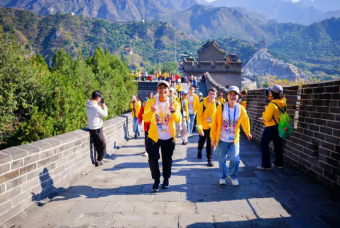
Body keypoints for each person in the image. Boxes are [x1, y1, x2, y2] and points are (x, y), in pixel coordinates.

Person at [143, 80, 182, 192]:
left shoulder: (174, 103)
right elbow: (145, 118)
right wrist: (151, 111)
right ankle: (156, 180)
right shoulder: (151, 102)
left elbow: (178, 119)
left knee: (167, 160)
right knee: (153, 160)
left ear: (168, 90)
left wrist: (173, 111)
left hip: (168, 137)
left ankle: (166, 179)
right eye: (160, 87)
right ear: (157, 90)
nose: (162, 90)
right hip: (154, 137)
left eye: (165, 88)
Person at [210, 86, 252, 186]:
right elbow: (214, 123)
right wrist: (213, 138)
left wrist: (247, 132)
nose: (232, 97)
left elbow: (245, 121)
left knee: (236, 159)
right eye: (230, 94)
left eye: (235, 95)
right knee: (222, 160)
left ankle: (233, 176)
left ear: (238, 97)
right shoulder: (221, 107)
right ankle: (222, 176)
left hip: (234, 139)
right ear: (227, 95)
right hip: (222, 139)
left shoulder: (240, 108)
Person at [257, 84, 286, 171]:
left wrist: (264, 112)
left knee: (264, 144)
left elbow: (267, 118)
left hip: (271, 127)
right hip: (279, 126)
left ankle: (266, 165)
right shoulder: (283, 102)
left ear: (272, 93)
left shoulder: (271, 105)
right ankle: (279, 163)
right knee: (278, 145)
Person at [197, 87, 219, 167]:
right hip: (203, 126)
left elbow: (220, 117)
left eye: (214, 94)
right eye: (210, 94)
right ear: (208, 94)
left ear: (216, 95)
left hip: (212, 127)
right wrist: (200, 128)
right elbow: (199, 116)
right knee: (201, 142)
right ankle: (199, 150)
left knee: (210, 143)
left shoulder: (217, 104)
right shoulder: (202, 103)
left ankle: (209, 159)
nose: (212, 95)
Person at [86, 91, 108, 166]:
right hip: (97, 127)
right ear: (98, 98)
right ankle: (99, 160)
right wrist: (104, 106)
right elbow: (105, 114)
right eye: (99, 98)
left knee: (97, 144)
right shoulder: (96, 107)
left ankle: (100, 158)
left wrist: (99, 106)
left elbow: (93, 112)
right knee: (103, 144)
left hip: (90, 127)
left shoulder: (88, 105)